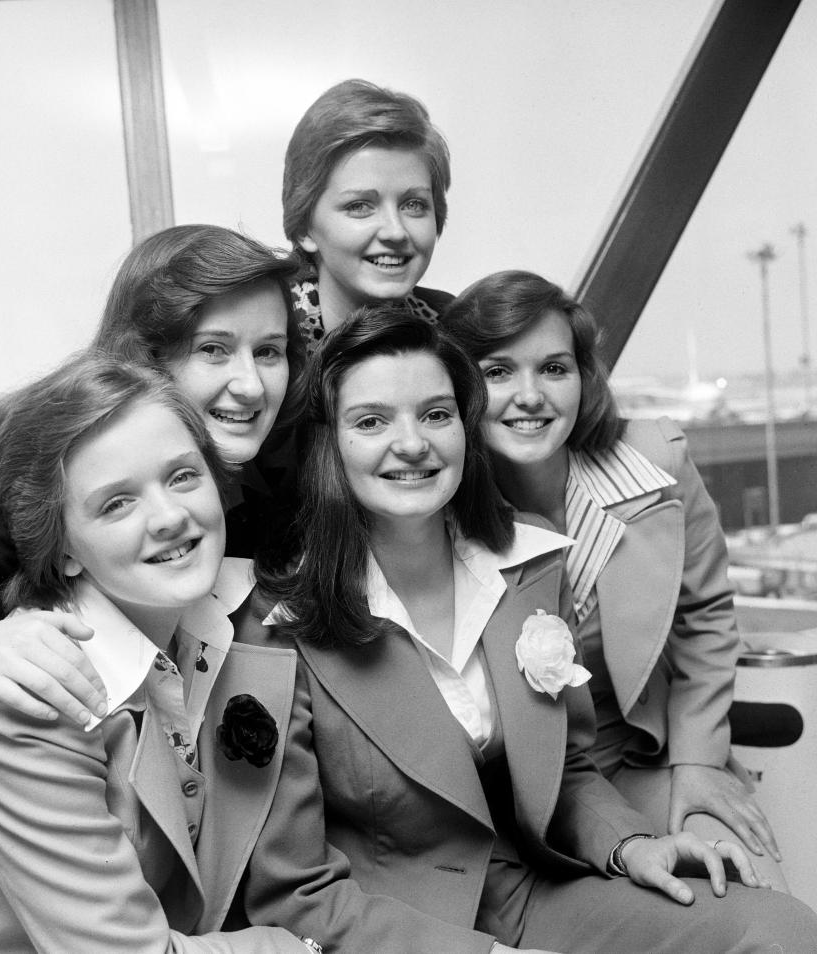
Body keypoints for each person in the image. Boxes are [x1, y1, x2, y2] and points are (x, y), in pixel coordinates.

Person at [242, 306, 817, 953]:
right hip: (393, 925)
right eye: (372, 421)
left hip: (529, 893)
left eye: (436, 414)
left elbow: (563, 770)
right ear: (330, 445)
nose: (413, 443)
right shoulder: (276, 624)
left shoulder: (530, 566)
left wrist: (632, 845)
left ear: (466, 427)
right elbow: (292, 892)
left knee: (779, 931)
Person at [0, 226, 302, 940]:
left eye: (270, 351)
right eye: (213, 348)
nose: (250, 383)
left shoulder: (264, 493)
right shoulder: (12, 493)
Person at [444, 270, 786, 891]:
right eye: (497, 373)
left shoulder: (659, 466)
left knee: (753, 887)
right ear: (459, 388)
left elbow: (704, 615)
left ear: (583, 376)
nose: (530, 396)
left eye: (554, 368)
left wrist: (699, 759)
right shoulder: (441, 514)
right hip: (523, 796)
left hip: (643, 754)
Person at [283, 78, 454, 349]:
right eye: (360, 206)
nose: (395, 231)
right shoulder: (268, 339)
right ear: (305, 228)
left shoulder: (452, 327)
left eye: (414, 204)